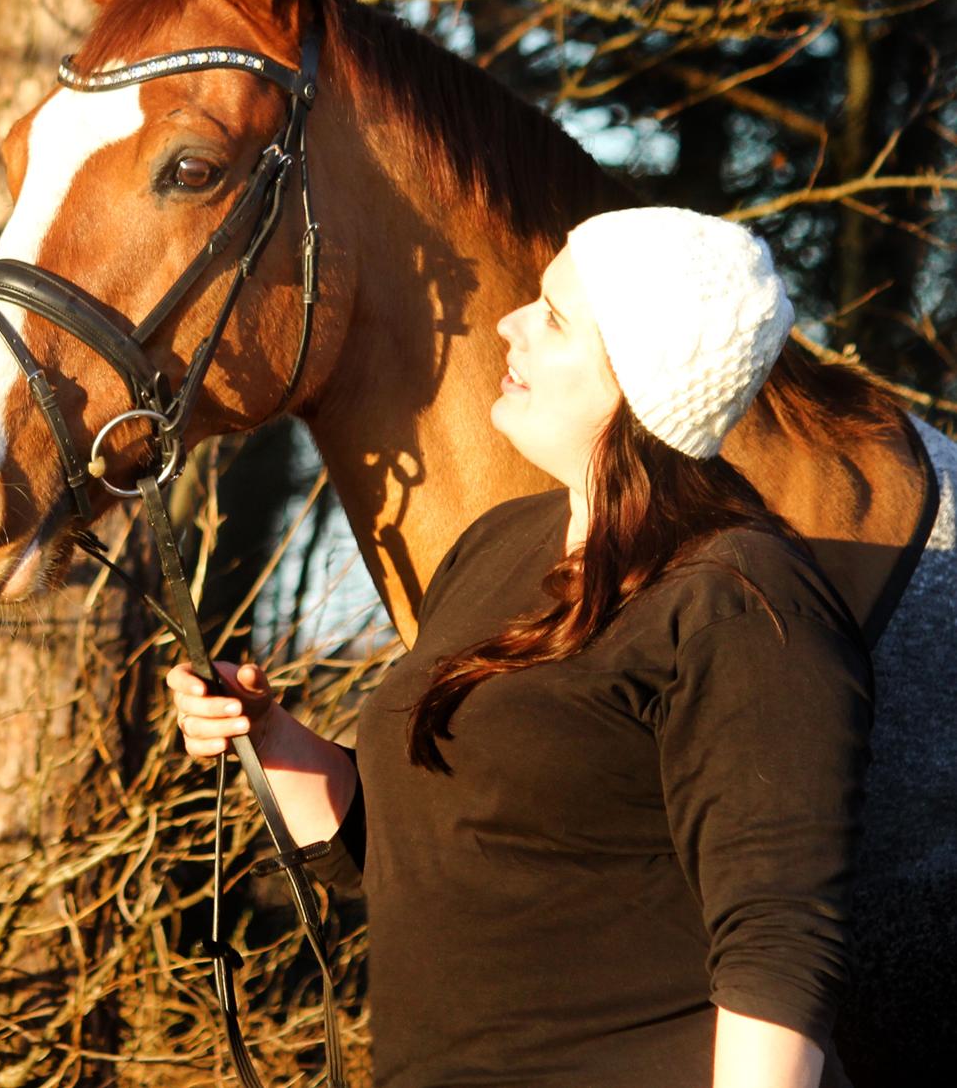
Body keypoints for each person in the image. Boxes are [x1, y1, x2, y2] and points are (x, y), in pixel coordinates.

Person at [168, 207, 873, 1088]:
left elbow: (779, 941)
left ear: (640, 384)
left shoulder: (740, 600)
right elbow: (409, 848)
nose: (510, 324)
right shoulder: (501, 543)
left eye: (554, 316)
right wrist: (268, 735)